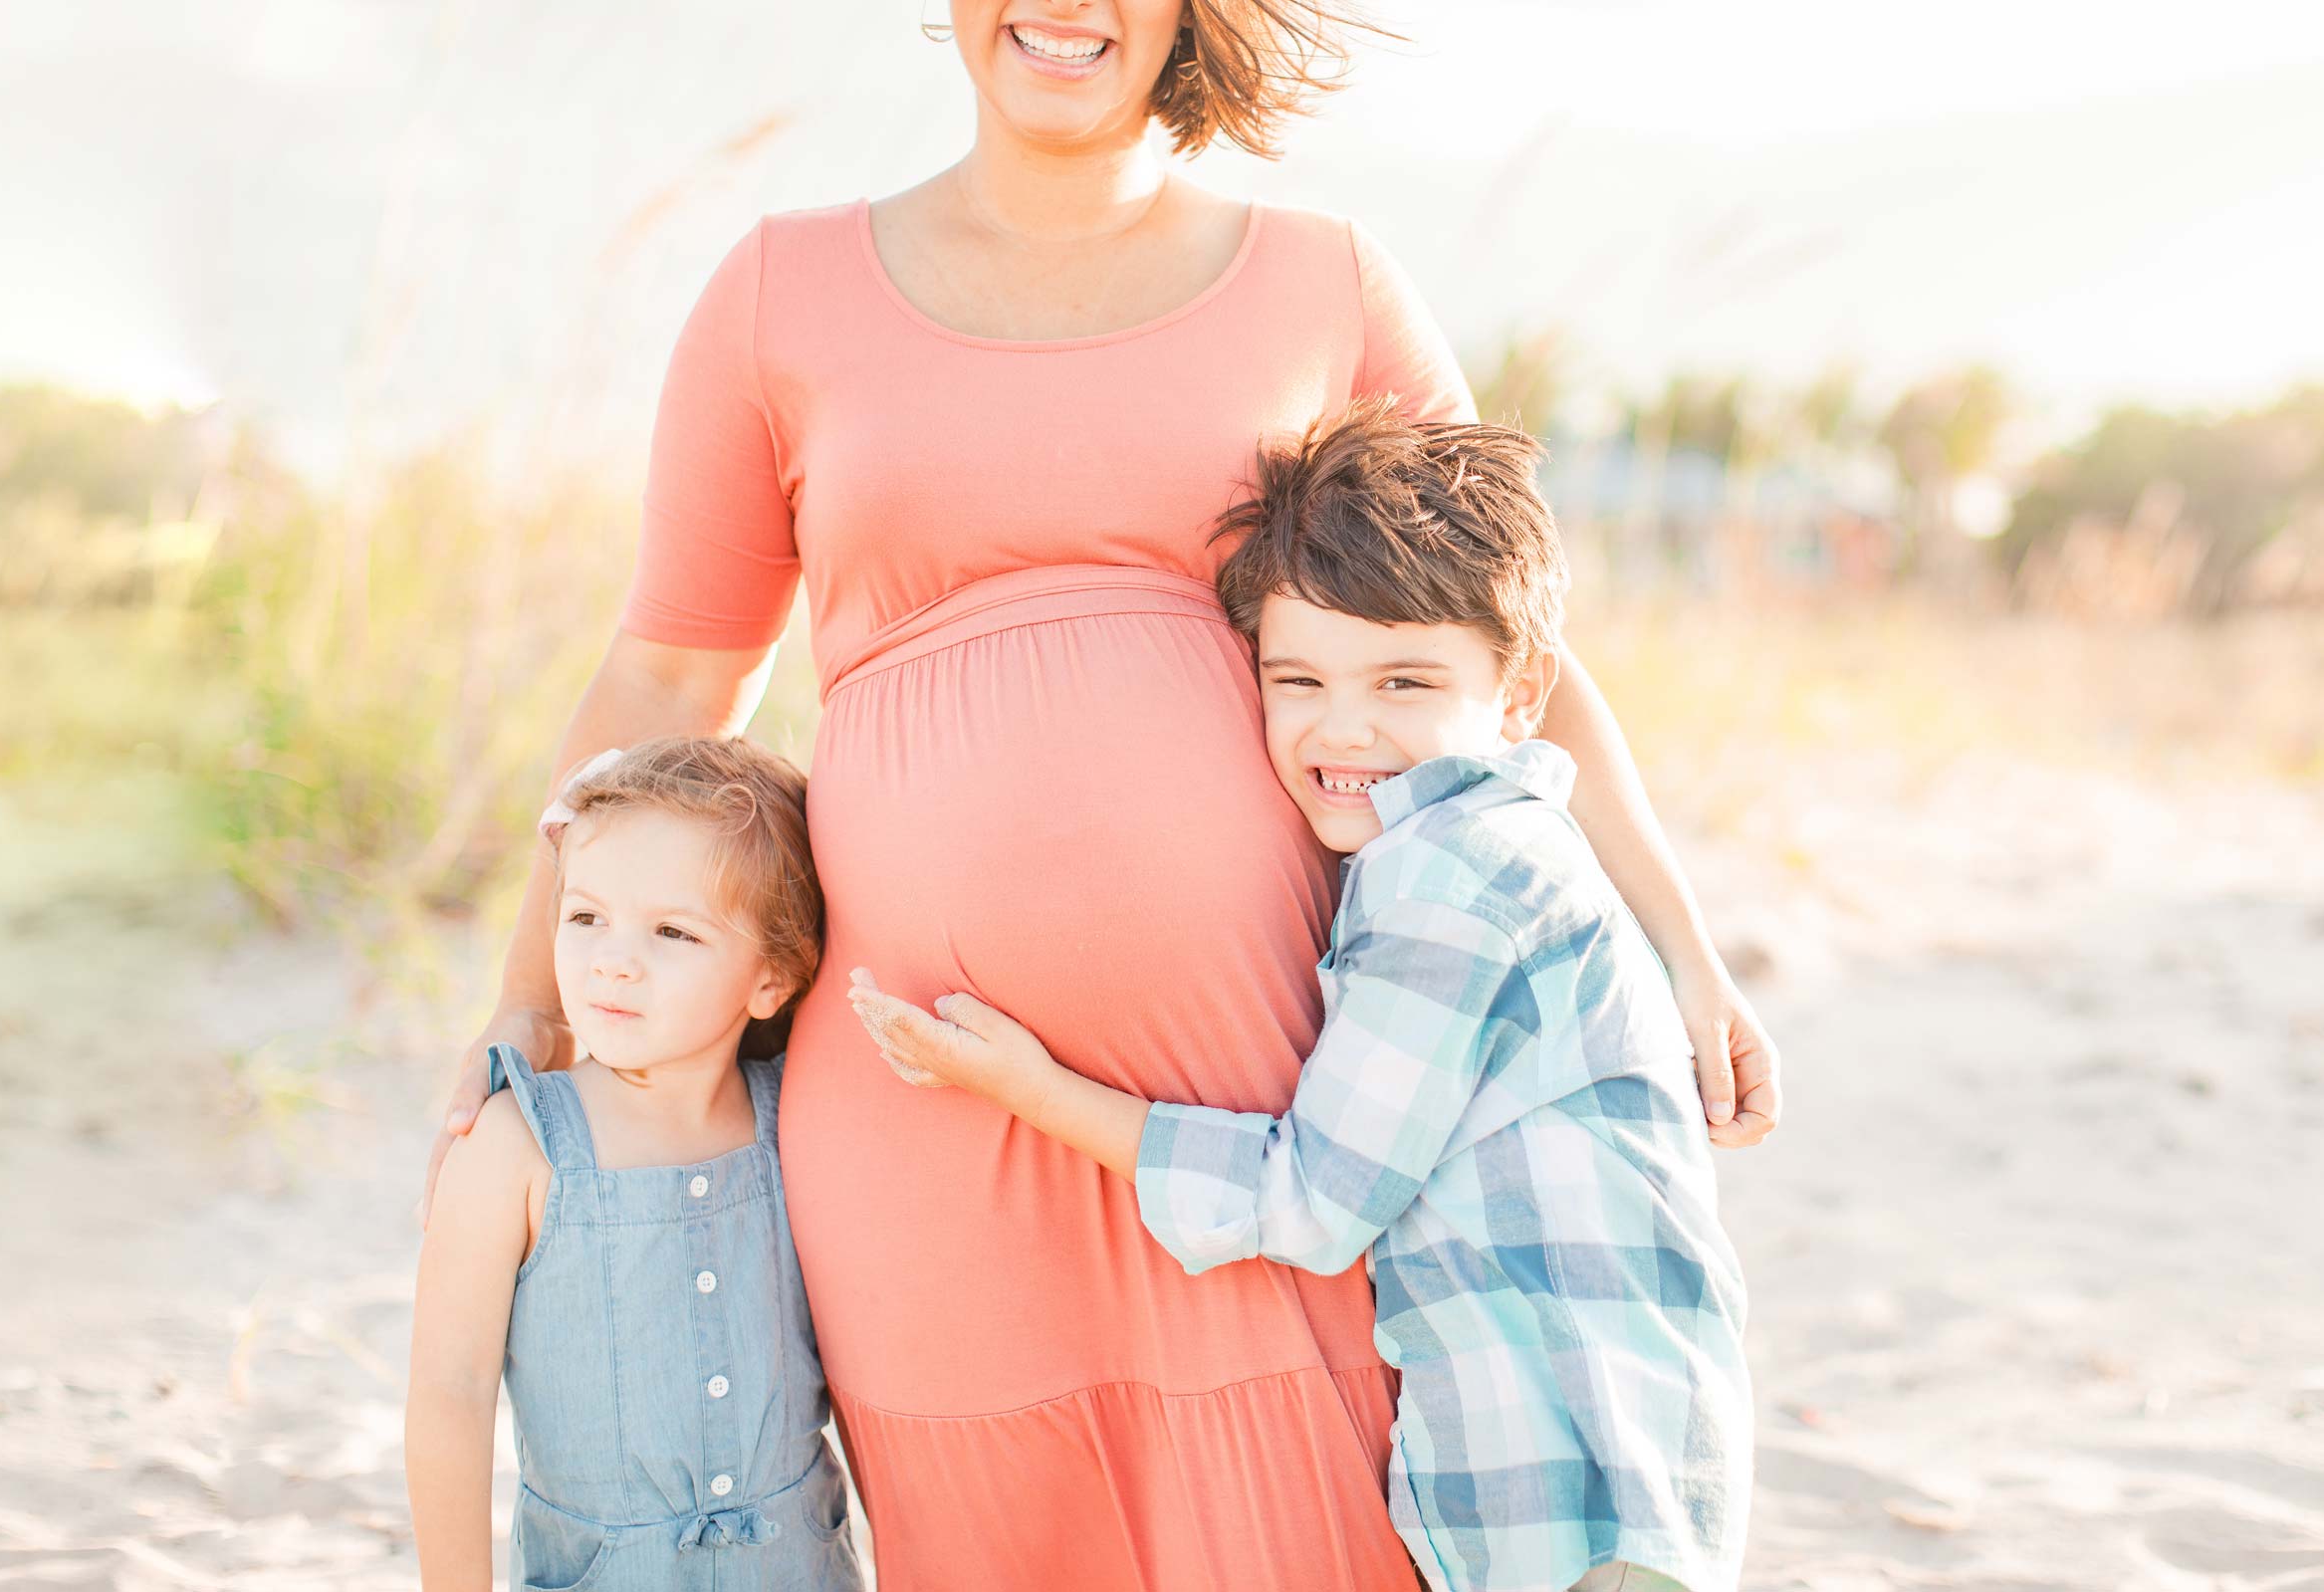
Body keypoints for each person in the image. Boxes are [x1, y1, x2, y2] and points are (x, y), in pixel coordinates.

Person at [424, 3, 1779, 1583]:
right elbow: (666, 677)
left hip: (1270, 1099)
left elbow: (1512, 646)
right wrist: (535, 994)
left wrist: (1682, 944)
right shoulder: (778, 292)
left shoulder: (1321, 277)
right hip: (921, 1092)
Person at [848, 403, 1751, 1592]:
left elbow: (1316, 1201)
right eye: (1297, 678)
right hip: (1596, 1477)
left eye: (1405, 680)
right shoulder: (1493, 847)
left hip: (1571, 1496)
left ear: (1520, 693)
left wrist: (1031, 1089)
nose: (1344, 726)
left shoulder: (1453, 877)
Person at [407, 737, 862, 1591]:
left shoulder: (797, 1119)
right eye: (585, 917)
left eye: (672, 930)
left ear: (771, 979)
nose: (614, 958)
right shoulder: (516, 1144)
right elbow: (448, 1389)